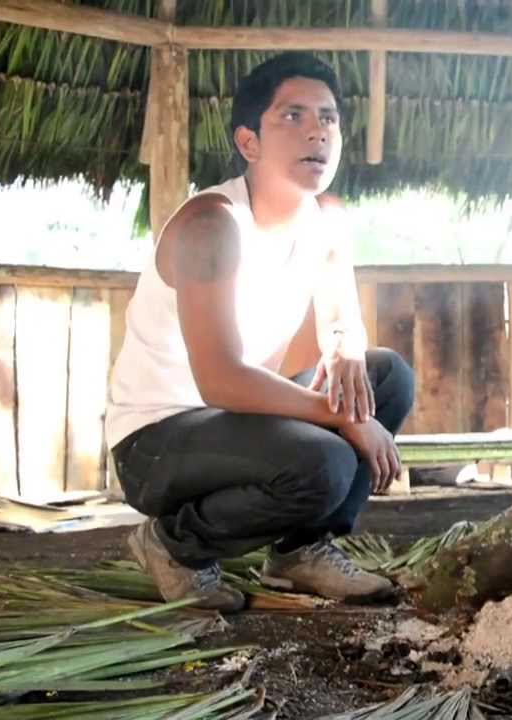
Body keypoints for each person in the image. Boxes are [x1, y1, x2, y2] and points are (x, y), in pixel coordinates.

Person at [104, 52, 415, 611]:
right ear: (249, 142)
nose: (318, 131)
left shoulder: (327, 219)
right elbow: (220, 381)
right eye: (293, 117)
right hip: (157, 442)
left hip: (237, 423)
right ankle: (175, 544)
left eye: (328, 117)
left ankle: (300, 552)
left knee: (385, 376)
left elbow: (343, 317)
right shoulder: (212, 225)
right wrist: (347, 417)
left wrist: (345, 349)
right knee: (326, 462)